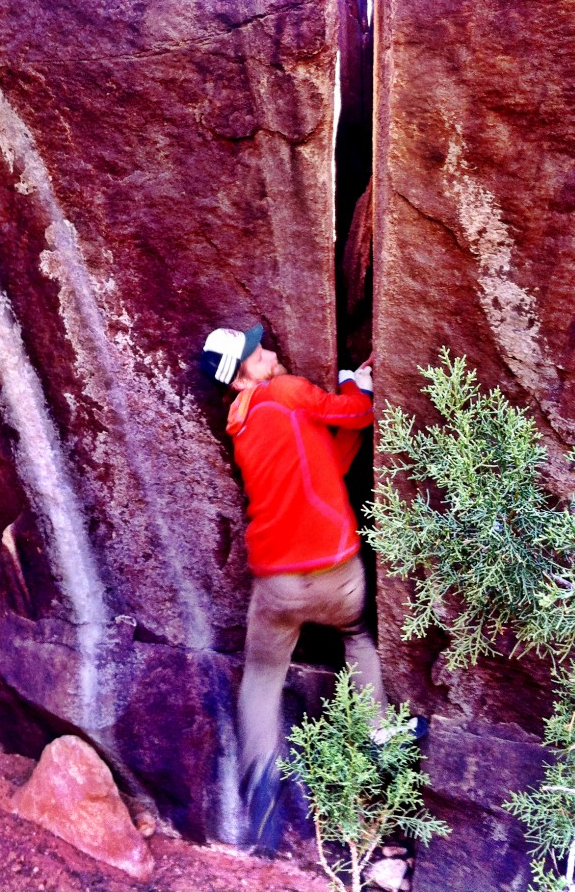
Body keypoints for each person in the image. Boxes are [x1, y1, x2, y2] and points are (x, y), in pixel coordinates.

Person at [200, 324, 387, 851]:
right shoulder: (284, 392)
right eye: (259, 355)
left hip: (276, 584)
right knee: (358, 635)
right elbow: (357, 413)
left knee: (261, 673)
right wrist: (357, 382)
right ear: (241, 378)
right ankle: (376, 733)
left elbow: (324, 465)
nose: (273, 353)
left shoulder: (239, 424)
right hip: (335, 572)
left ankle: (257, 790)